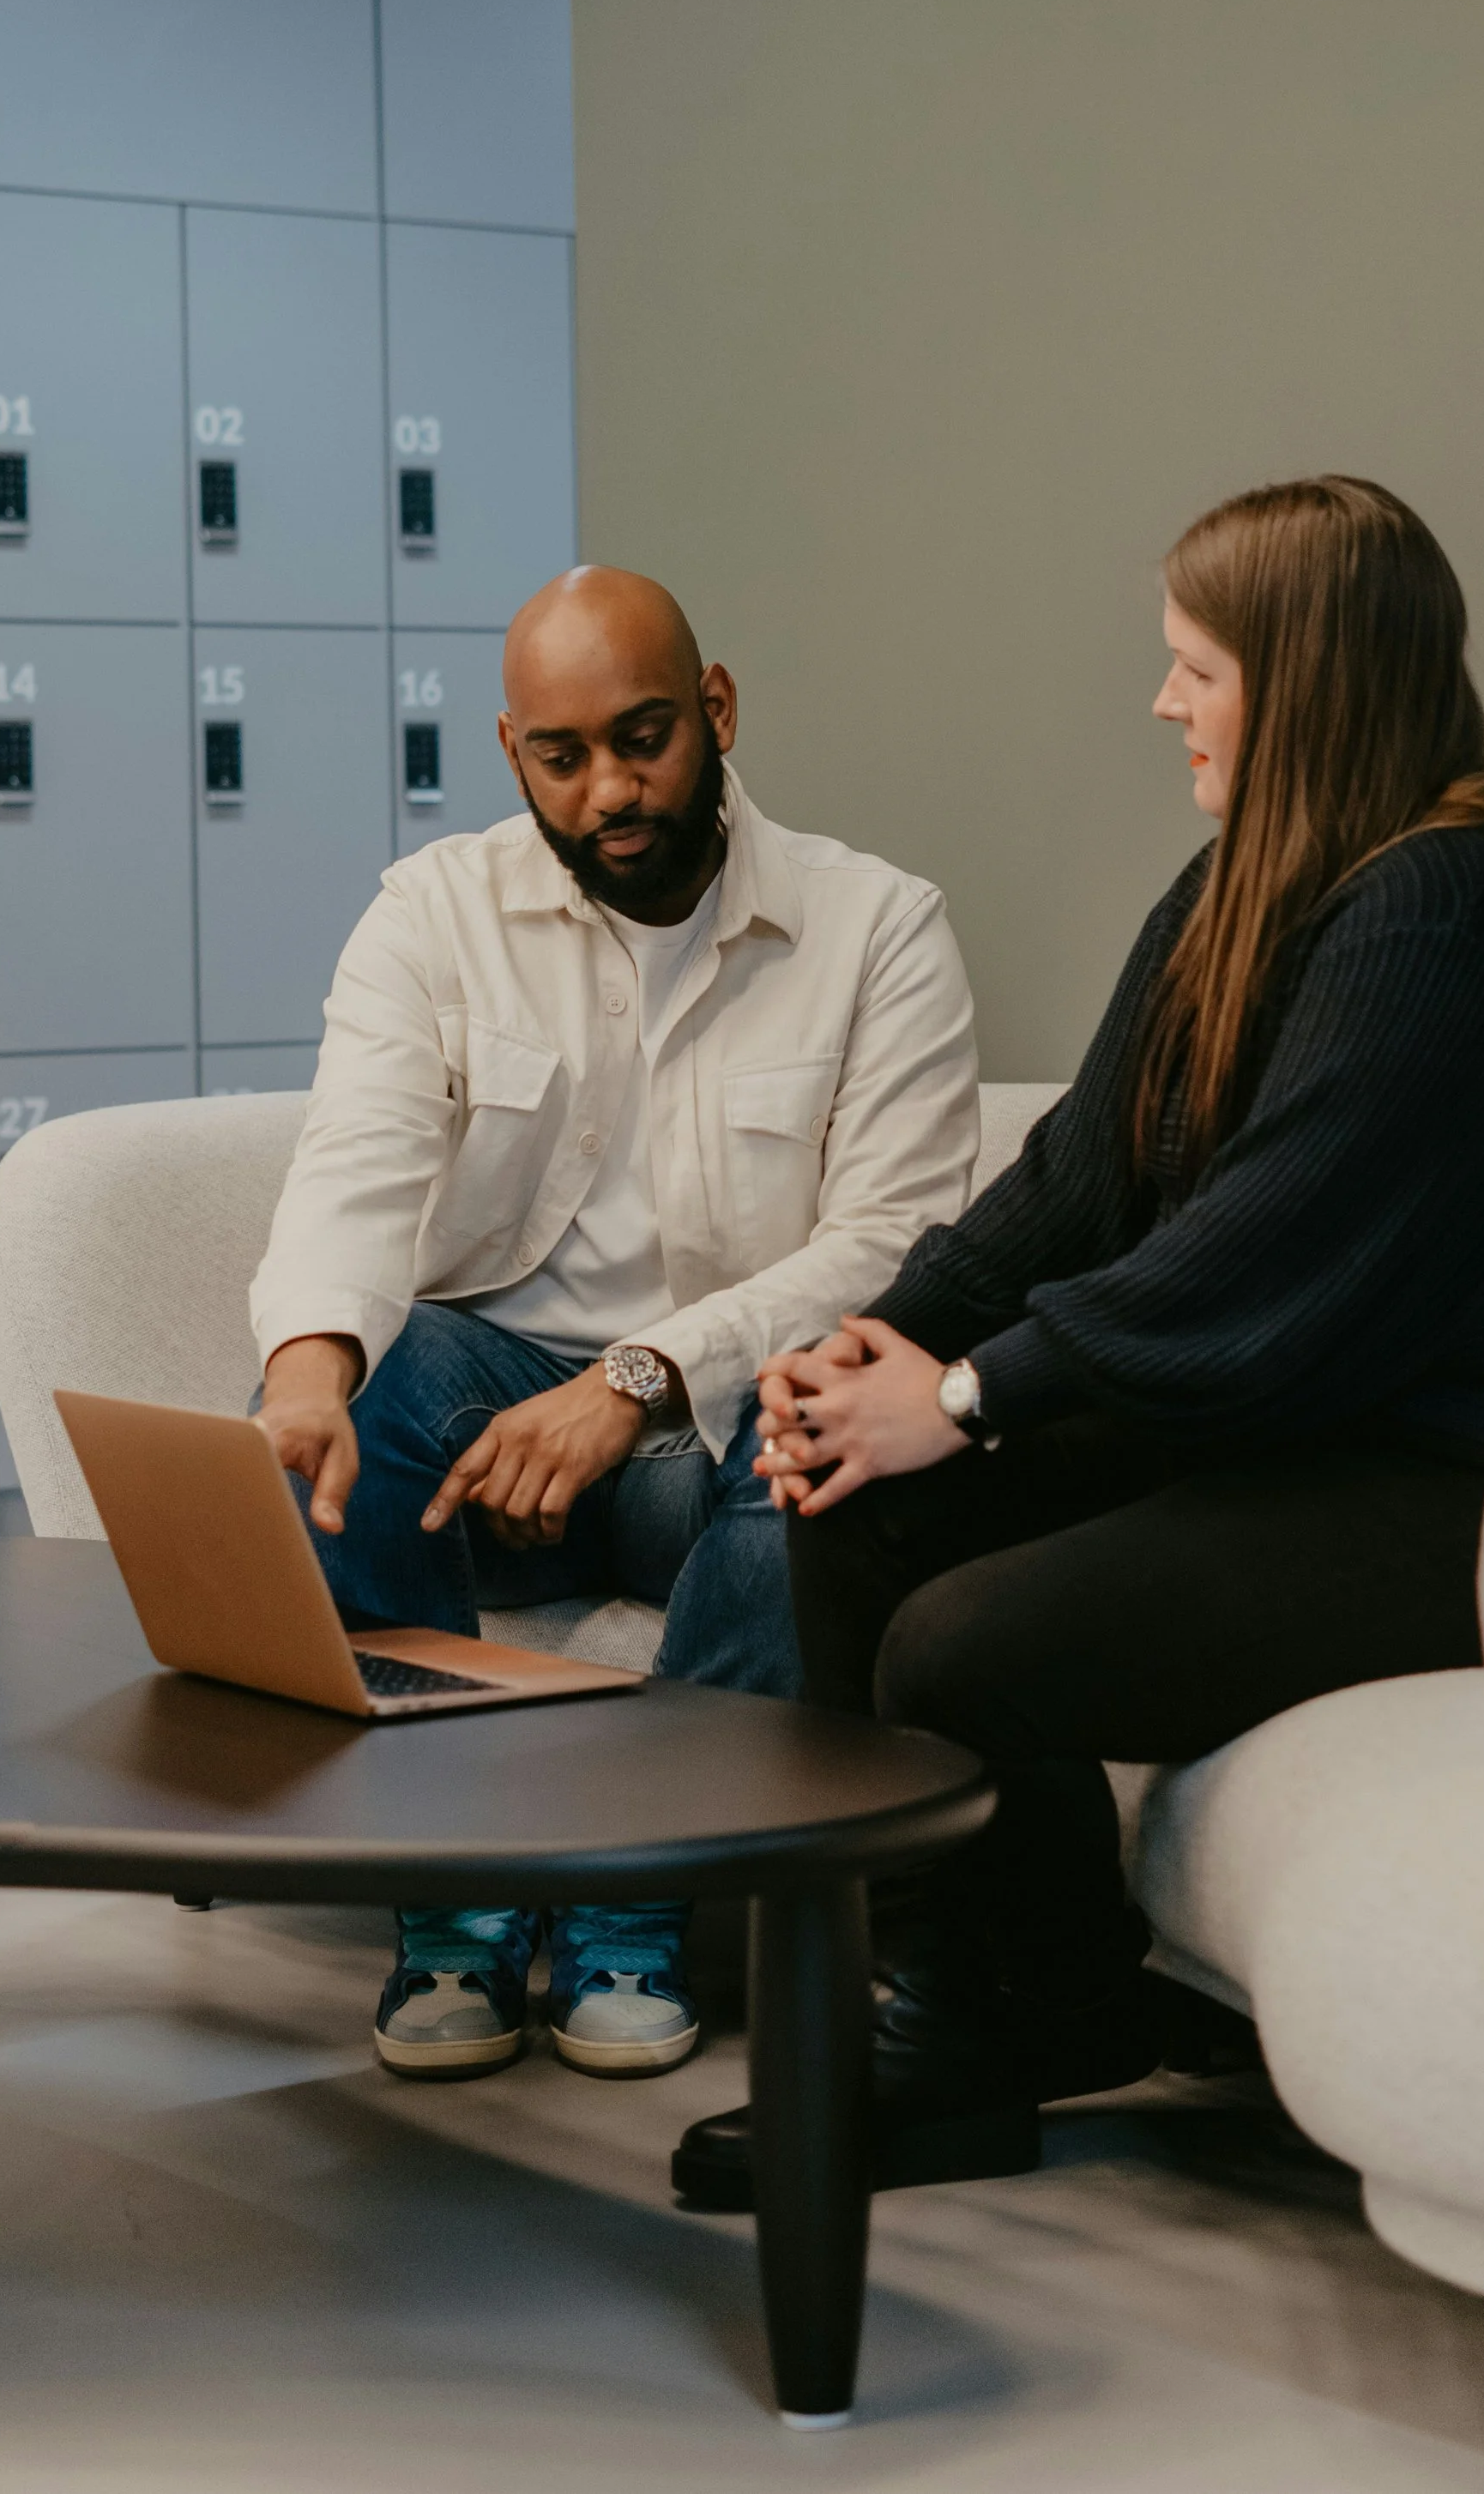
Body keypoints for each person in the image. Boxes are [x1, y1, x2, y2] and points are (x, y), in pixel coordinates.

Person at [673, 474, 1484, 2207]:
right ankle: (1000, 2005)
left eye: (1195, 667)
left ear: (1308, 678)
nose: (1161, 702)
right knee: (851, 1502)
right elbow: (1070, 1184)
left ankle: (1010, 2006)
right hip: (1293, 1432)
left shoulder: (1460, 910)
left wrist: (962, 1398)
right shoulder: (1238, 884)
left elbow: (1261, 1260)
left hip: (1461, 1485)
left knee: (965, 1638)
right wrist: (873, 1348)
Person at [251, 566, 979, 2084]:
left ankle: (629, 1903)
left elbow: (889, 1244)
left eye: (644, 737)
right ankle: (452, 1903)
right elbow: (361, 1156)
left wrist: (643, 1378)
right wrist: (306, 1366)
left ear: (715, 708)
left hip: (716, 1420)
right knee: (369, 1403)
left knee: (816, 1459)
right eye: (562, 758)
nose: (611, 792)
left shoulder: (877, 927)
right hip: (487, 1412)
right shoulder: (433, 915)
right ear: (514, 752)